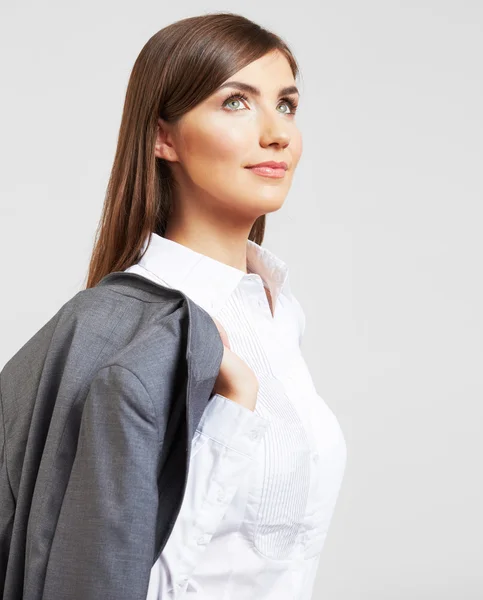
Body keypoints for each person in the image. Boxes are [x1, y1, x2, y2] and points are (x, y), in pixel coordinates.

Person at [86, 12, 347, 598]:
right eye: (235, 102)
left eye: (286, 105)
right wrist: (235, 406)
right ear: (164, 137)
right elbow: (110, 578)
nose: (276, 132)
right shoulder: (137, 329)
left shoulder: (278, 311)